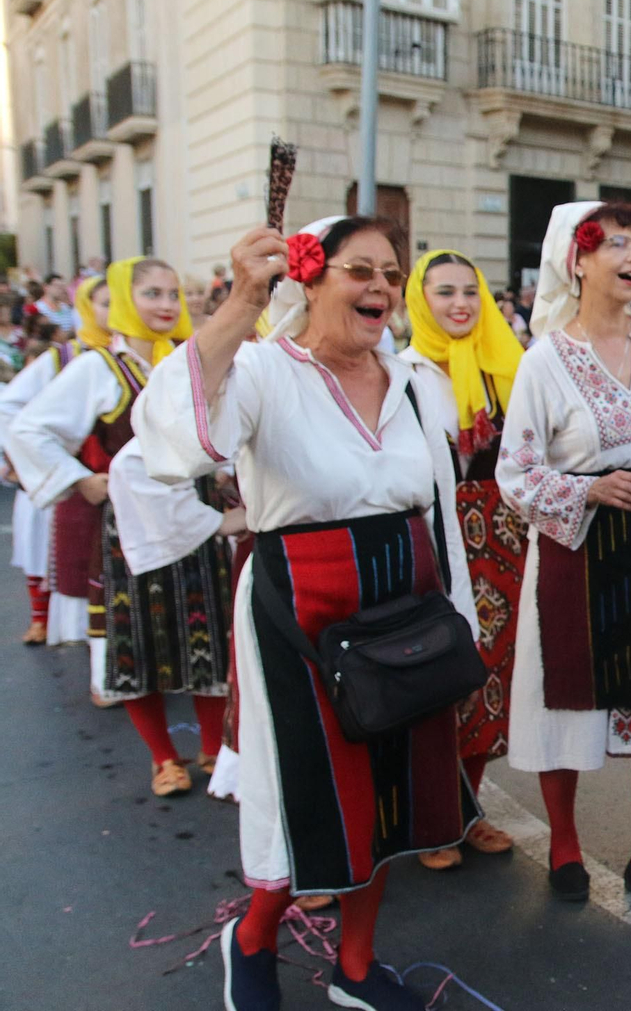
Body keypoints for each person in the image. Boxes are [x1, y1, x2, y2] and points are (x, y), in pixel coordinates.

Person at [135, 215, 477, 1011]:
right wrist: (241, 300)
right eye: (361, 270)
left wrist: (459, 622)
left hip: (408, 604)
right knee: (311, 794)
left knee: (388, 795)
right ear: (310, 280)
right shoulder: (260, 371)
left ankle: (356, 968)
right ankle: (252, 937)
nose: (382, 289)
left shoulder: (419, 382)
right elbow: (176, 446)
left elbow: (441, 510)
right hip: (306, 610)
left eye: (392, 274)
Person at [495, 201, 631, 915]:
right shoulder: (544, 361)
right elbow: (515, 475)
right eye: (615, 243)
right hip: (578, 551)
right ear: (576, 261)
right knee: (571, 697)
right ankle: (565, 843)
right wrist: (585, 488)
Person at [8, 257, 237, 800]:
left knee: (206, 636)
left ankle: (210, 747)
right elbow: (28, 427)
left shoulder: (190, 361)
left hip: (200, 517)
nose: (165, 304)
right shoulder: (97, 369)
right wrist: (80, 478)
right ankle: (163, 757)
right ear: (120, 298)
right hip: (132, 528)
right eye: (151, 293)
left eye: (172, 293)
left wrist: (223, 476)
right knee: (140, 643)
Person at [400, 249, 526, 870]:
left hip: (503, 539)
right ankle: (431, 818)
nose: (459, 304)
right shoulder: (403, 373)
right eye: (444, 292)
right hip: (434, 540)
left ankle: (467, 808)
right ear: (420, 301)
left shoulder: (506, 363)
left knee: (488, 681)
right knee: (433, 682)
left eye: (469, 292)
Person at [0, 276, 110, 648]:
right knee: (64, 559)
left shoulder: (157, 353)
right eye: (104, 304)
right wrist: (33, 457)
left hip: (124, 482)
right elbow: (10, 407)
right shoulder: (65, 357)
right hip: (76, 478)